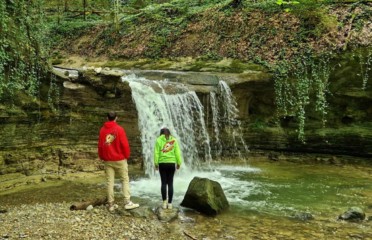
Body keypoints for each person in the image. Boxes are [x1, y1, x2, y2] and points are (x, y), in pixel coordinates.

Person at [98, 111, 139, 211]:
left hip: (108, 159)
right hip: (120, 159)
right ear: (116, 118)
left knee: (109, 182)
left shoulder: (102, 130)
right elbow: (124, 144)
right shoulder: (119, 129)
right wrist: (126, 155)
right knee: (124, 179)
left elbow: (100, 145)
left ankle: (111, 204)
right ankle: (127, 202)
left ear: (107, 118)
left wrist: (102, 157)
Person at [154, 127, 182, 209]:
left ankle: (164, 202)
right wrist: (179, 163)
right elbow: (177, 152)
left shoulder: (158, 140)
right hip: (171, 164)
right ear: (169, 133)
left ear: (161, 133)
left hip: (162, 163)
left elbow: (156, 152)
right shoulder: (174, 140)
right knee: (170, 183)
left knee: (163, 183)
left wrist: (156, 163)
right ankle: (170, 204)